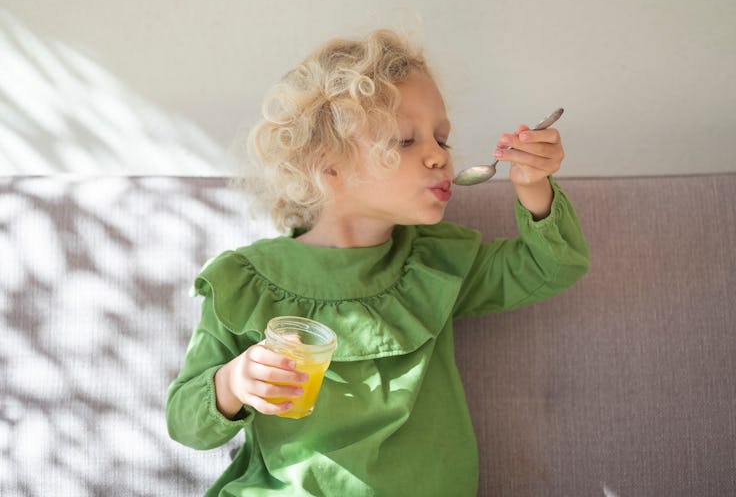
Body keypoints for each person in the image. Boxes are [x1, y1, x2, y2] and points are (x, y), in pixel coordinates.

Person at [166, 28, 589, 496]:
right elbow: (186, 423)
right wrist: (233, 383)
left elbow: (550, 265)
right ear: (329, 165)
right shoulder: (246, 281)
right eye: (406, 141)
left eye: (442, 140)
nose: (438, 158)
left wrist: (533, 185)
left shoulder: (437, 265)